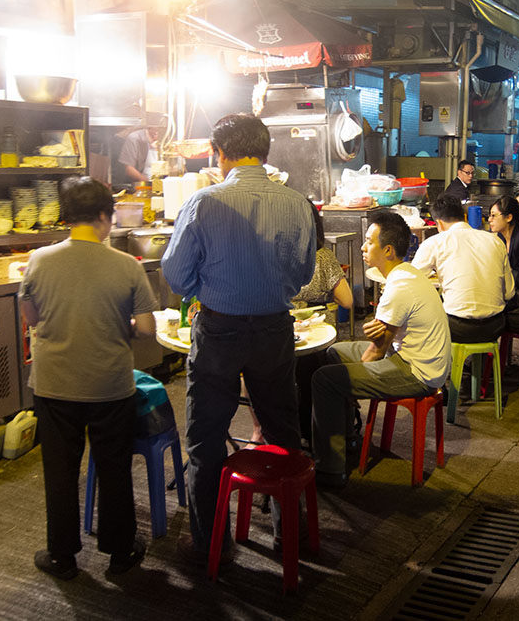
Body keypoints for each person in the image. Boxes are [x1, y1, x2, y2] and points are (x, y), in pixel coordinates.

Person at [162, 113, 315, 563]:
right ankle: (291, 536)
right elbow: (303, 274)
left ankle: (212, 542)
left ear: (219, 153)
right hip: (274, 329)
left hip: (219, 330)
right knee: (283, 430)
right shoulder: (296, 203)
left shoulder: (204, 201)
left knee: (207, 439)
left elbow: (174, 274)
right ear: (266, 153)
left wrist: (200, 288)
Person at [21, 176, 157, 580]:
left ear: (67, 217)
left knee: (60, 471)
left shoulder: (39, 259)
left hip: (53, 384)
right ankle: (119, 553)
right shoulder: (124, 265)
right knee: (113, 467)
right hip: (109, 386)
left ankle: (61, 556)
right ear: (104, 216)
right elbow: (148, 328)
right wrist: (123, 325)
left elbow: (31, 318)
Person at [312, 211, 451, 488]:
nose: (363, 247)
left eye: (368, 242)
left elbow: (376, 351)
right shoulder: (407, 273)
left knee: (324, 380)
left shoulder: (398, 287)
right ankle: (349, 434)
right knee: (334, 354)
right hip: (408, 356)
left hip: (417, 371)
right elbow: (380, 340)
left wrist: (352, 378)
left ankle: (330, 470)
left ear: (387, 250)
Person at [412, 195, 515, 343]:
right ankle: (476, 364)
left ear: (439, 223)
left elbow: (411, 279)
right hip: (495, 326)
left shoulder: (435, 242)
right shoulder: (495, 241)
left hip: (457, 327)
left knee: (419, 314)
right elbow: (509, 292)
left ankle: (440, 364)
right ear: (464, 217)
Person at [293, 204, 355, 445]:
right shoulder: (323, 256)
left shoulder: (274, 254)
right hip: (316, 335)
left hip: (280, 330)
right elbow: (348, 301)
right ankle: (319, 432)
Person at [119, 116, 166, 183]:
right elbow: (129, 168)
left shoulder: (167, 137)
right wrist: (148, 183)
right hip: (141, 184)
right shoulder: (134, 138)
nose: (156, 131)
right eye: (154, 128)